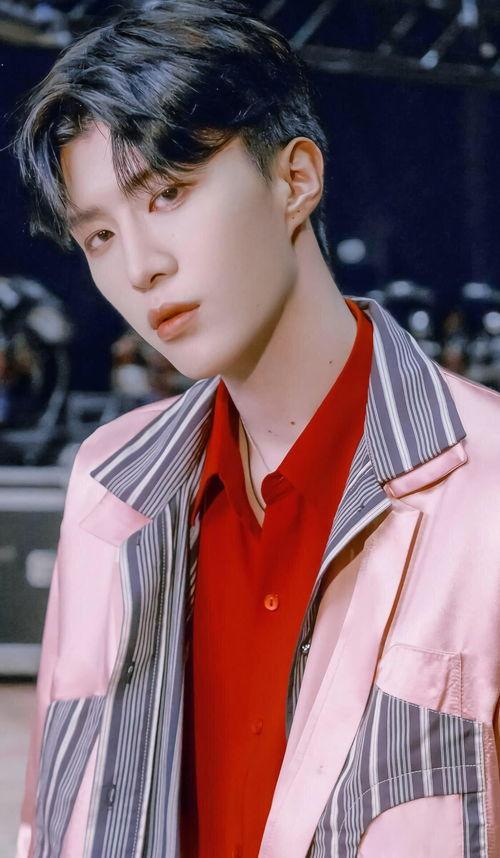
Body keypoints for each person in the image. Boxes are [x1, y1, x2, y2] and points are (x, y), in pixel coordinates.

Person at [13, 2, 500, 857]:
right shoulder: (109, 486)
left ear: (295, 179)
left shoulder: (484, 493)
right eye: (100, 236)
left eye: (169, 194)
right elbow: (51, 817)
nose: (140, 267)